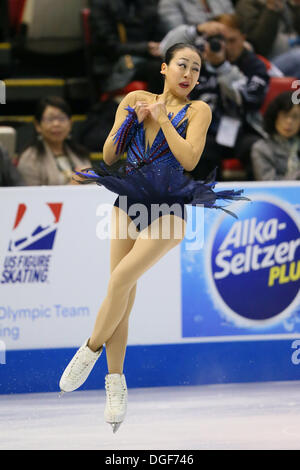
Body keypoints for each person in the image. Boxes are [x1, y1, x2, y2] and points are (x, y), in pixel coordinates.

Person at [58, 43, 248, 433]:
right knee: (123, 295)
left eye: (196, 69)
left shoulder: (199, 110)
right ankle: (115, 383)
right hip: (129, 198)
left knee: (120, 280)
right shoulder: (135, 97)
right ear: (164, 68)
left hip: (171, 206)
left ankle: (90, 348)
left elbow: (190, 161)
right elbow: (111, 156)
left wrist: (162, 120)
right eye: (183, 64)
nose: (189, 74)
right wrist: (132, 119)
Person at [160, 14, 270, 179]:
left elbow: (250, 99)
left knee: (257, 148)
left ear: (243, 39)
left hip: (243, 129)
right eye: (220, 40)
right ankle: (207, 202)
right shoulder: (198, 61)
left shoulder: (254, 65)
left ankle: (259, 200)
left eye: (231, 41)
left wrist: (222, 68)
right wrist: (196, 30)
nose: (225, 47)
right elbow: (164, 51)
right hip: (205, 130)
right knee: (198, 150)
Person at [89, 0, 165, 94]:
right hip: (115, 62)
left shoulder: (147, 3)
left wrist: (159, 46)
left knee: (175, 64)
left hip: (146, 57)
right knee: (158, 69)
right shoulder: (102, 5)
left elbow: (158, 31)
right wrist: (146, 47)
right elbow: (108, 46)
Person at [18, 96, 91, 185]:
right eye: (50, 119)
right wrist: (72, 185)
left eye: (62, 119)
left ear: (70, 124)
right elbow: (30, 197)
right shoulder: (30, 158)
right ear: (38, 125)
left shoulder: (80, 154)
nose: (56, 124)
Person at [235, 0, 300, 78]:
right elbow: (258, 45)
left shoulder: (286, 3)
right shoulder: (247, 5)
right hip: (268, 63)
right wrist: (271, 9)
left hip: (292, 51)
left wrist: (296, 6)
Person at [251, 90, 300, 180]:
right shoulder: (261, 148)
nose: (289, 121)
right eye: (285, 115)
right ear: (274, 117)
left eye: (295, 117)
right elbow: (270, 184)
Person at [158, 0, 234, 33]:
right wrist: (198, 30)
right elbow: (176, 36)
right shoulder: (168, 2)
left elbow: (233, 24)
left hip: (229, 47)